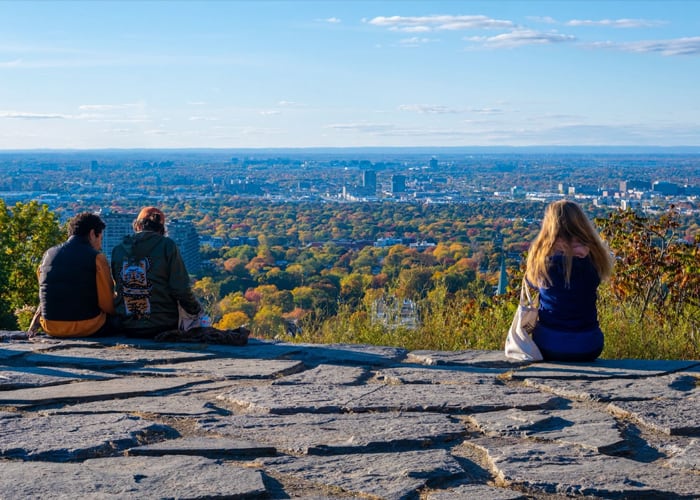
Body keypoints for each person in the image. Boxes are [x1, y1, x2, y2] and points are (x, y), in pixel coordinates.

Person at [525, 200, 614, 362]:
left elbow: (531, 282)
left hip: (549, 345)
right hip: (590, 345)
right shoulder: (594, 255)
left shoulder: (542, 256)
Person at [111, 207, 202, 338]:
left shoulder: (118, 250)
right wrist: (196, 310)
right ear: (162, 229)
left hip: (126, 323)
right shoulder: (167, 246)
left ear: (137, 225)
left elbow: (117, 286)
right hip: (162, 324)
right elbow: (180, 289)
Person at [37, 212, 116, 337]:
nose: (100, 245)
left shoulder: (48, 254)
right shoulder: (96, 257)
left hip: (50, 326)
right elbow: (108, 305)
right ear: (92, 234)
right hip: (88, 326)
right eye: (100, 238)